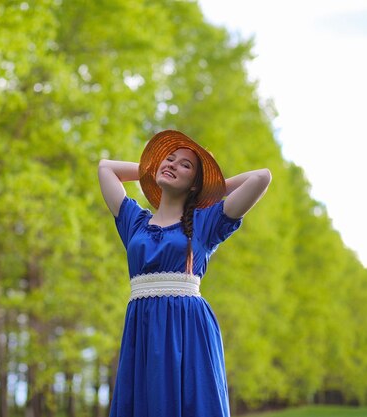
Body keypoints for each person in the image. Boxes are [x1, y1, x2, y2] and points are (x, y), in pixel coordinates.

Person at [98, 130, 271, 417]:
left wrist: (210, 188)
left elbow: (261, 177)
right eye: (170, 159)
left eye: (185, 165)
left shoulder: (206, 223)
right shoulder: (134, 222)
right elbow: (106, 169)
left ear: (194, 184)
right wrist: (151, 170)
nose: (173, 165)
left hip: (188, 327)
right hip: (143, 328)